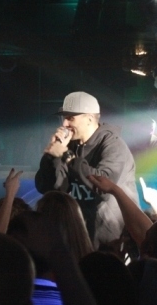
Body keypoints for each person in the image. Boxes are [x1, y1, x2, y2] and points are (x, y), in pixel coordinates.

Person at [35, 91, 137, 249]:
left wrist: (67, 156)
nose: (65, 124)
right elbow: (50, 188)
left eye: (71, 118)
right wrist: (52, 156)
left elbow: (103, 185)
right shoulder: (70, 145)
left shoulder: (113, 144)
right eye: (64, 118)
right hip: (80, 238)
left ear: (89, 119)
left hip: (111, 241)